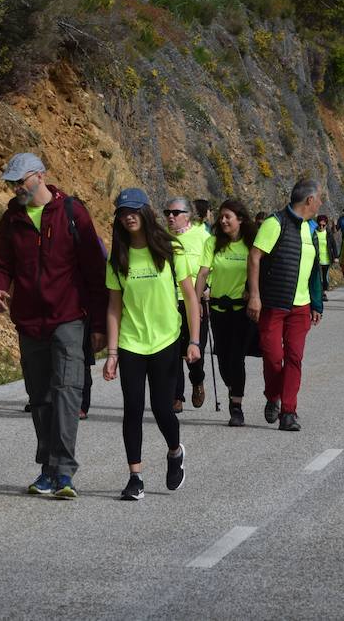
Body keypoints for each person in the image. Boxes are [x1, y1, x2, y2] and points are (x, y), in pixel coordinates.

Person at [0, 153, 106, 499]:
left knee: (67, 391)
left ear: (39, 176)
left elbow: (95, 272)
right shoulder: (12, 218)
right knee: (39, 396)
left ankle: (63, 472)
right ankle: (47, 468)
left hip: (68, 318)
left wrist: (98, 324)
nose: (16, 187)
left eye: (21, 180)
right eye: (12, 182)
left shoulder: (72, 212)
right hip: (28, 320)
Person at [101, 189, 201, 500]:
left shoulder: (170, 250)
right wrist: (112, 353)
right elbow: (114, 307)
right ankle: (135, 477)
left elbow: (190, 298)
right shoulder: (118, 257)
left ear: (145, 213)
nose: (129, 216)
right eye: (122, 212)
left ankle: (174, 451)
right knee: (132, 408)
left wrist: (194, 341)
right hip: (132, 343)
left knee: (161, 407)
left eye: (134, 210)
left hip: (166, 341)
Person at [247, 178, 325, 432]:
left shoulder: (310, 229)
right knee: (273, 357)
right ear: (309, 200)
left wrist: (316, 303)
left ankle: (288, 412)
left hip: (301, 308)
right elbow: (255, 257)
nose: (321, 203)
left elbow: (315, 271)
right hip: (274, 303)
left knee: (294, 358)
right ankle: (272, 396)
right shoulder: (274, 223)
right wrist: (255, 295)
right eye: (319, 198)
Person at [196, 200, 257, 426]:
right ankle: (232, 389)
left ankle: (236, 406)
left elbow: (260, 270)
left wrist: (252, 292)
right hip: (218, 309)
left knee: (236, 358)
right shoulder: (212, 243)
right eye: (221, 217)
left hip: (242, 311)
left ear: (240, 219)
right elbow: (202, 273)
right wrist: (196, 301)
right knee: (222, 359)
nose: (222, 221)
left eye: (227, 217)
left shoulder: (251, 243)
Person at [164, 197, 210, 412]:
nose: (170, 217)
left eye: (175, 213)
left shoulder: (203, 236)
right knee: (172, 352)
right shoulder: (162, 239)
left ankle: (197, 380)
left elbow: (211, 266)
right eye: (167, 213)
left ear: (188, 215)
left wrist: (205, 292)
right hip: (169, 302)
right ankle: (176, 396)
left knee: (193, 352)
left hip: (194, 300)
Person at [314, 214, 337, 292]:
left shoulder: (328, 234)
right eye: (319, 225)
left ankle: (324, 292)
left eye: (323, 225)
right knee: (318, 277)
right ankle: (320, 292)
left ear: (326, 225)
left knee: (325, 277)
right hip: (316, 258)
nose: (321, 227)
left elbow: (334, 245)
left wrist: (336, 257)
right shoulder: (314, 233)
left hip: (327, 259)